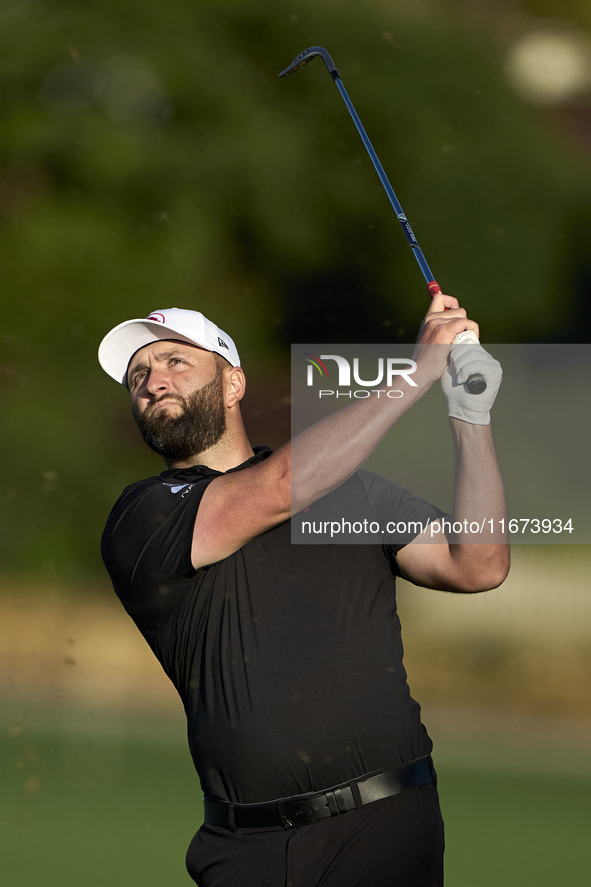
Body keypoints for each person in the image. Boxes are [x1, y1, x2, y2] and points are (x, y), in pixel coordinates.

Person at [98, 295, 509, 887]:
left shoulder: (355, 494)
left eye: (175, 362)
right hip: (246, 852)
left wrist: (471, 415)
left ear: (233, 383)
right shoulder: (142, 516)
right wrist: (417, 371)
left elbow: (479, 564)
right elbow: (282, 487)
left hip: (385, 826)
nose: (153, 381)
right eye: (139, 376)